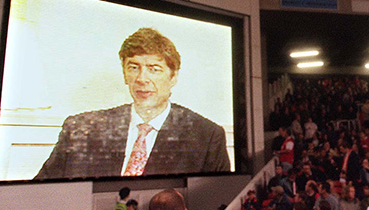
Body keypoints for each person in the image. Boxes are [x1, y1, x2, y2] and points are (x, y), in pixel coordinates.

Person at [37, 28, 230, 179]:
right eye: (133, 68)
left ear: (173, 77)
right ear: (124, 75)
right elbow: (40, 192)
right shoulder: (80, 128)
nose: (142, 78)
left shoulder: (207, 136)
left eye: (154, 69)